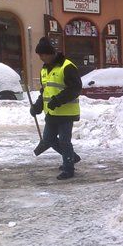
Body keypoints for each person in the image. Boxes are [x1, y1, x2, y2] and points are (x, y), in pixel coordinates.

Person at [30, 37, 82, 180]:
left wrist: (58, 100)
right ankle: (71, 156)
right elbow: (45, 91)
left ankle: (68, 168)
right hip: (52, 113)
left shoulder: (67, 66)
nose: (40, 58)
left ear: (50, 53)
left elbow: (75, 89)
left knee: (65, 141)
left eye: (42, 55)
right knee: (48, 140)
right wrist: (37, 106)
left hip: (66, 113)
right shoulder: (45, 69)